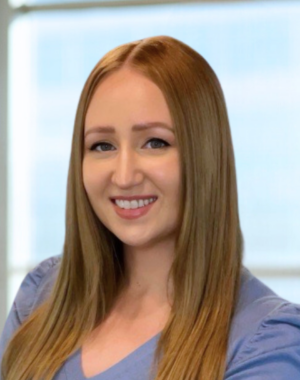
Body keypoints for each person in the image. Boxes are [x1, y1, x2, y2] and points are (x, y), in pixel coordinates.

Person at [1, 35, 300, 380]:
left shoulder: (267, 342)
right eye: (102, 146)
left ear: (204, 156)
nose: (124, 176)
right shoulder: (41, 298)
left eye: (155, 142)